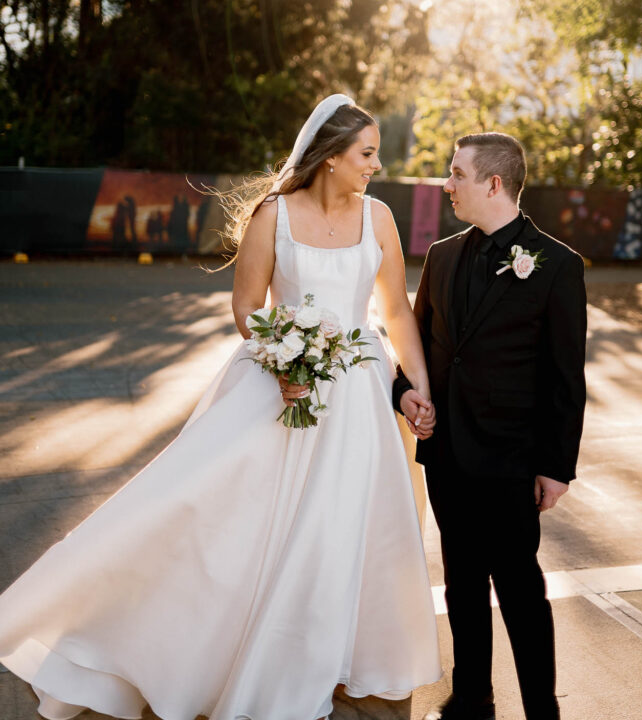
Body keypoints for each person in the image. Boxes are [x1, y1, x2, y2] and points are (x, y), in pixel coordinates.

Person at [0, 94, 441, 720]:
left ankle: (341, 658)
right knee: (219, 517)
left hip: (361, 395)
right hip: (280, 383)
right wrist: (286, 361)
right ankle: (184, 645)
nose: (376, 164)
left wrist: (417, 383)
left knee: (347, 526)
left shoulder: (381, 220)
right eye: (367, 153)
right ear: (331, 156)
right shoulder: (273, 215)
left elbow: (395, 310)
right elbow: (247, 307)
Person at [394, 132, 587, 720]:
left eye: (456, 174)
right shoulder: (442, 255)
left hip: (510, 463)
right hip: (447, 455)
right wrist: (405, 395)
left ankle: (540, 710)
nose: (447, 184)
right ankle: (472, 698)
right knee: (461, 587)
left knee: (521, 593)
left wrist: (556, 468)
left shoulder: (557, 265)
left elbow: (564, 378)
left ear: (493, 183)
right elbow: (416, 348)